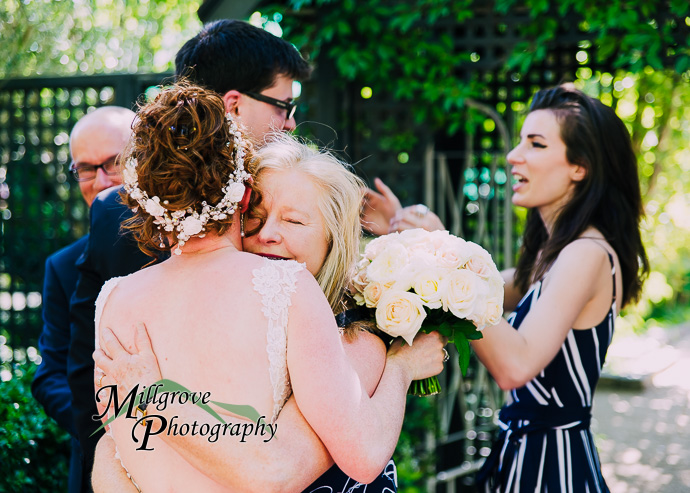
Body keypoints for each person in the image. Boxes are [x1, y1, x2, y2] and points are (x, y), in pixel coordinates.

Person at [90, 82, 446, 492]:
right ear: (242, 199)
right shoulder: (286, 288)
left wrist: (157, 401)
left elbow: (123, 439)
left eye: (294, 221)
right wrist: (401, 370)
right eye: (260, 213)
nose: (271, 234)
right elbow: (116, 450)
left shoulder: (114, 299)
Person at [67, 19, 312, 491]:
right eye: (284, 105)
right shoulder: (118, 214)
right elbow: (91, 377)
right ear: (236, 105)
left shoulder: (302, 194)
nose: (292, 122)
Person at [468, 86, 649, 491]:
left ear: (579, 167)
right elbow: (486, 287)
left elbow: (514, 365)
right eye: (520, 141)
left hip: (553, 468)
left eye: (535, 144)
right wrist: (416, 242)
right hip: (527, 457)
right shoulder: (557, 255)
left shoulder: (586, 253)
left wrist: (443, 261)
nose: (514, 155)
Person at [31, 106, 135, 493]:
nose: (102, 180)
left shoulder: (188, 250)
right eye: (87, 169)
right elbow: (50, 375)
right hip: (99, 464)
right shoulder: (61, 267)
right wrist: (108, 424)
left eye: (114, 162)